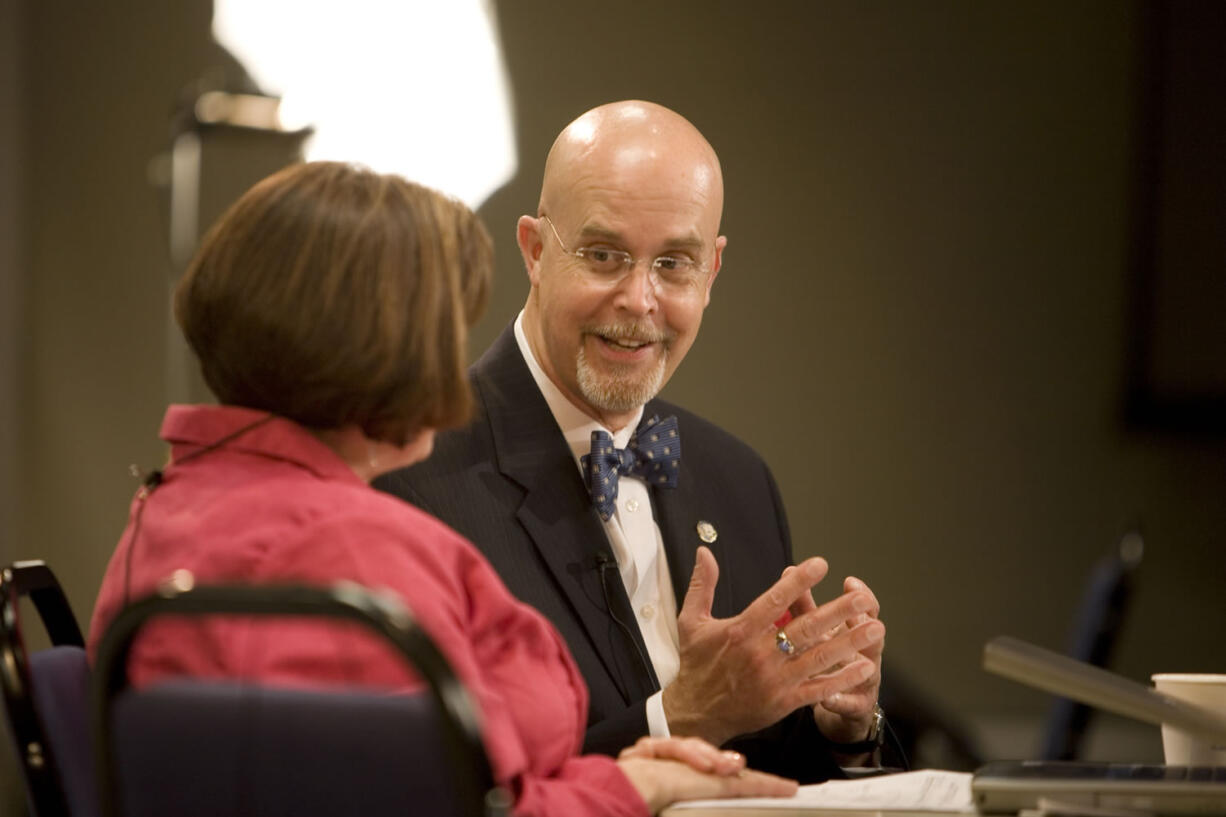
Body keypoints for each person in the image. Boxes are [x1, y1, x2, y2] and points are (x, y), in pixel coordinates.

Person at [86, 161, 798, 816]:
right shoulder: (346, 547)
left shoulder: (176, 504)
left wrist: (630, 774)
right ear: (379, 350)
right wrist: (630, 787)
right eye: (441, 329)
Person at [375, 101, 890, 782]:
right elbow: (442, 785)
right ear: (534, 250)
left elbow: (781, 774)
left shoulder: (740, 480)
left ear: (712, 272)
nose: (640, 300)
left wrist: (845, 729)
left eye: (674, 263)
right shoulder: (413, 476)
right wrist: (679, 717)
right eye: (604, 255)